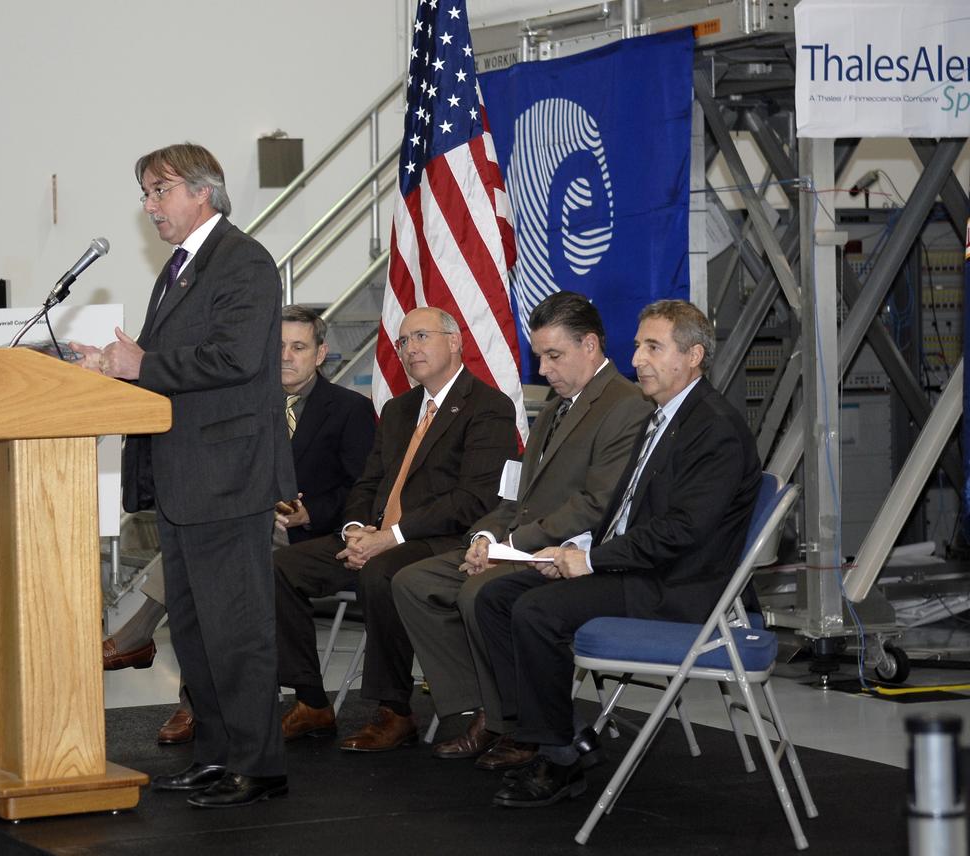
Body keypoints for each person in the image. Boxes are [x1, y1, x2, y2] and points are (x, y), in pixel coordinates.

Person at [475, 299, 761, 809]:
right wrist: (574, 547)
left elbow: (682, 532)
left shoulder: (713, 427)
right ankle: (555, 731)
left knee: (536, 611)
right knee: (497, 596)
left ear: (693, 355)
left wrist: (591, 561)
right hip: (636, 566)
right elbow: (627, 513)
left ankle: (560, 757)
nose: (638, 360)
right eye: (637, 345)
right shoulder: (664, 415)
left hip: (676, 586)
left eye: (654, 347)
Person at [85, 142, 295, 808]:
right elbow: (167, 361)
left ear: (202, 191)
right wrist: (120, 367)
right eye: (145, 194)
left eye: (159, 191)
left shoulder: (244, 262)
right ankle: (215, 754)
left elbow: (232, 358)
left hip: (227, 477)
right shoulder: (180, 268)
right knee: (197, 630)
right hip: (184, 477)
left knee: (237, 627)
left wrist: (140, 365)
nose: (149, 206)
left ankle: (258, 764)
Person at [391, 291, 651, 771]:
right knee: (413, 582)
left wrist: (512, 546)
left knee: (479, 593)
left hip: (565, 552)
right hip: (520, 545)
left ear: (590, 345)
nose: (544, 369)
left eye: (554, 356)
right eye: (540, 357)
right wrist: (484, 539)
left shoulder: (626, 406)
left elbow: (596, 505)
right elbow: (515, 496)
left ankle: (510, 718)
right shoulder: (554, 409)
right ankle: (485, 707)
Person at [100, 304, 376, 747]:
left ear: (321, 353)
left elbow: (362, 487)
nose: (286, 356)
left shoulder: (350, 409)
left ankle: (159, 657)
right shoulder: (247, 402)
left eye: (299, 347)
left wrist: (314, 512)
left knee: (210, 549)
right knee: (205, 543)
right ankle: (198, 696)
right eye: (278, 346)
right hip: (246, 524)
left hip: (310, 536)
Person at [274, 306, 517, 752]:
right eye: (404, 342)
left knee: (381, 572)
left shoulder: (488, 408)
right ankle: (311, 700)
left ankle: (394, 710)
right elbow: (367, 482)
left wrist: (391, 537)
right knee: (281, 566)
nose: (411, 349)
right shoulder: (399, 409)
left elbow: (475, 500)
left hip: (437, 541)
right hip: (376, 537)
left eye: (422, 337)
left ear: (454, 341)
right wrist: (353, 529)